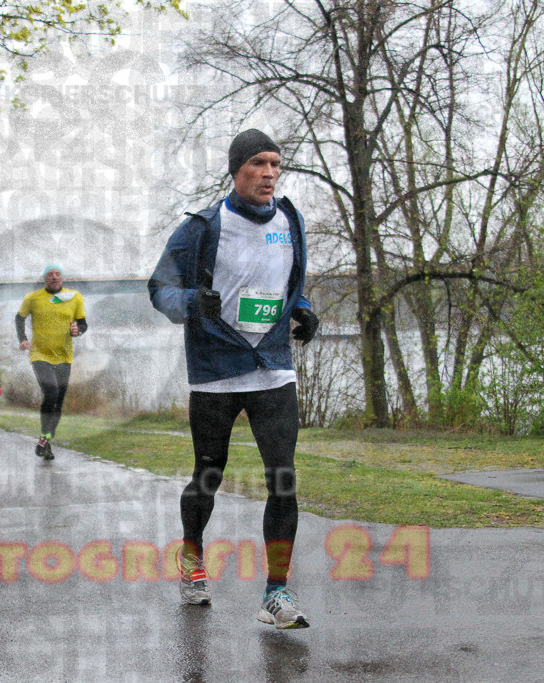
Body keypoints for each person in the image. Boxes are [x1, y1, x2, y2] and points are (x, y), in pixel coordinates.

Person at [148, 129, 319, 628]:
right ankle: (193, 565)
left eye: (275, 164)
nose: (269, 173)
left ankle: (277, 594)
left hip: (272, 366)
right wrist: (189, 305)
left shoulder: (290, 219)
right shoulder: (202, 227)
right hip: (215, 371)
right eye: (259, 164)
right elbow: (160, 287)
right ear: (236, 169)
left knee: (283, 479)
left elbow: (292, 280)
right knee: (209, 476)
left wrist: (303, 309)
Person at [15, 264, 87, 461]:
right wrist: (22, 338)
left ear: (62, 278)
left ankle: (45, 440)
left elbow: (82, 323)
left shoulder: (74, 297)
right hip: (40, 355)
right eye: (50, 275)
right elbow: (19, 318)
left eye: (58, 274)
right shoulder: (33, 298)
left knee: (58, 402)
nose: (54, 277)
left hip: (64, 356)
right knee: (52, 391)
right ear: (45, 279)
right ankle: (45, 439)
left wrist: (77, 331)